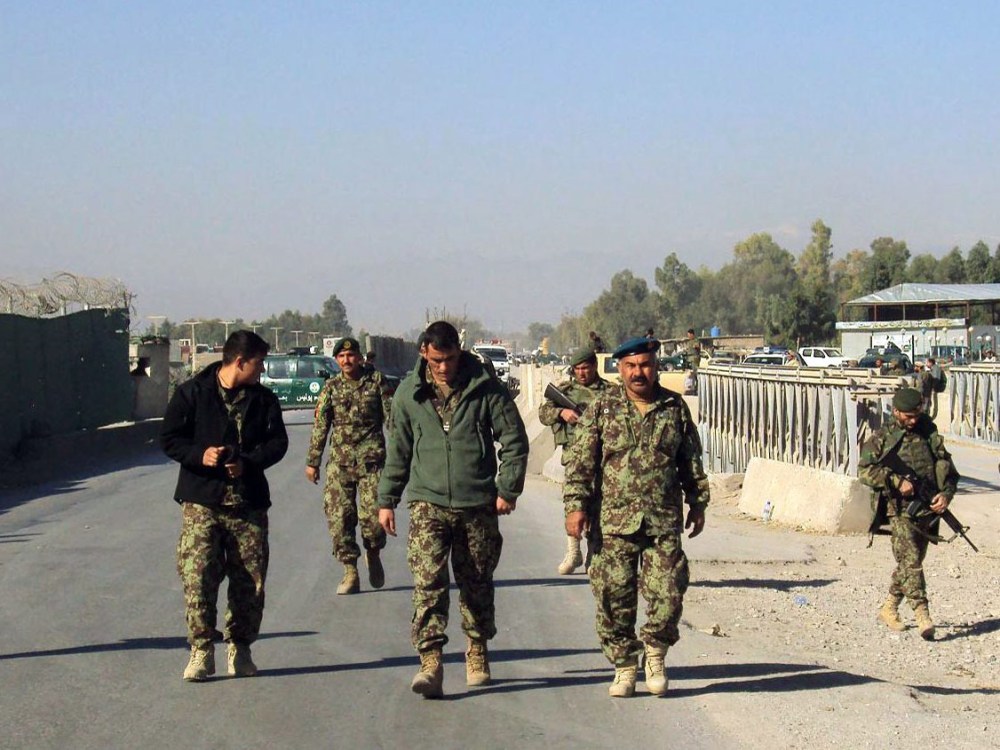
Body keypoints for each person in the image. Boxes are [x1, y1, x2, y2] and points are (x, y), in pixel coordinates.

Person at [377, 321, 528, 698]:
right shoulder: (409, 395)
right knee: (428, 582)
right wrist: (387, 499)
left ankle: (477, 649)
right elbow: (398, 451)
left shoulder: (485, 389)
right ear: (424, 355)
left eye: (450, 359)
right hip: (428, 502)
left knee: (476, 581)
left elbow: (513, 441)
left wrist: (506, 489)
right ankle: (430, 662)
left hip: (476, 503)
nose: (444, 367)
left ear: (459, 353)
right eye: (436, 360)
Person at [563, 336, 710, 698]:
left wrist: (698, 501)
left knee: (668, 592)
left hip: (662, 519)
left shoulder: (674, 408)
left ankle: (656, 655)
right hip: (613, 522)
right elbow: (581, 461)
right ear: (620, 369)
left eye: (644, 365)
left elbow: (690, 460)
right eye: (630, 366)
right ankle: (625, 665)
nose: (638, 373)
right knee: (613, 597)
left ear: (656, 366)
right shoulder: (603, 407)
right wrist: (575, 506)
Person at [161, 330, 289, 682]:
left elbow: (278, 442)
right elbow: (169, 439)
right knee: (198, 576)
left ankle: (241, 647)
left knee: (250, 581)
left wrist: (247, 462)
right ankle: (201, 650)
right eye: (259, 363)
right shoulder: (192, 394)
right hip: (202, 501)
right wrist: (200, 455)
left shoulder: (262, 400)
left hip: (247, 504)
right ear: (239, 361)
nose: (261, 370)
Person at [858, 387, 960, 640]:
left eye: (917, 415)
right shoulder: (882, 438)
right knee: (911, 561)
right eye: (908, 416)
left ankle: (889, 607)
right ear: (895, 411)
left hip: (926, 508)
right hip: (898, 510)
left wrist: (945, 495)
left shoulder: (929, 434)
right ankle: (922, 613)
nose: (913, 421)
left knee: (910, 562)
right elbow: (864, 472)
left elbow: (950, 472)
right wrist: (894, 481)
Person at [306, 337, 393, 595]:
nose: (347, 361)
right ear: (336, 360)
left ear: (359, 357)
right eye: (341, 357)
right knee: (339, 519)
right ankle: (350, 571)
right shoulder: (331, 387)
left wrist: (403, 455)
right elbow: (321, 425)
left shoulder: (377, 382)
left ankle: (373, 552)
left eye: (351, 356)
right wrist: (313, 461)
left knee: (373, 521)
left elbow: (393, 420)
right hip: (340, 465)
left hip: (371, 464)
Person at [538, 348, 610, 574]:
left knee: (600, 506)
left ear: (594, 367)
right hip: (575, 457)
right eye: (577, 369)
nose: (581, 373)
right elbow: (543, 413)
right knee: (573, 503)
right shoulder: (565, 391)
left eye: (585, 368)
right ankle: (573, 551)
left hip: (604, 458)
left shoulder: (611, 392)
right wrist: (561, 413)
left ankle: (593, 554)